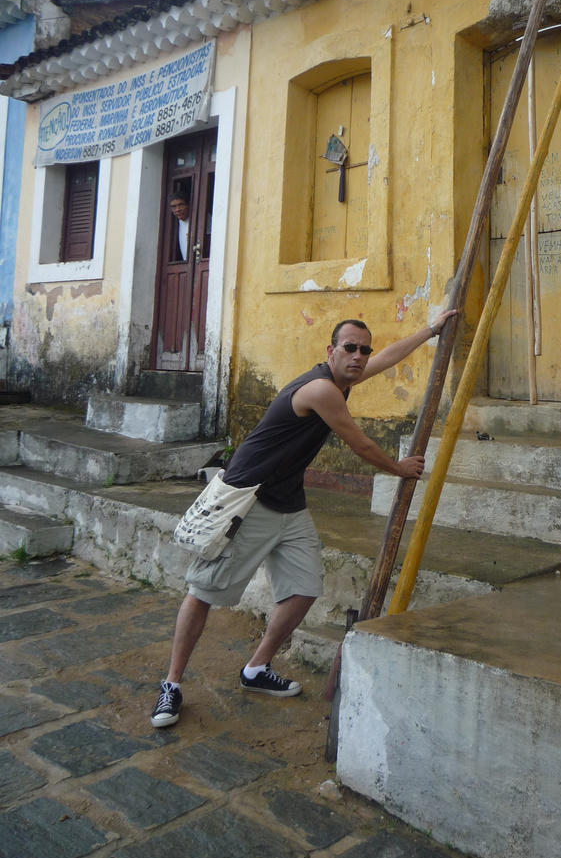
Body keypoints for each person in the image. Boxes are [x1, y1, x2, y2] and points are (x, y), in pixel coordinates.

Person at [151, 309, 458, 727]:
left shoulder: (343, 378)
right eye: (350, 348)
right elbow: (362, 446)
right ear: (331, 351)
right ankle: (171, 684)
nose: (360, 356)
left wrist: (432, 330)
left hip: (289, 503)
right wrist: (400, 468)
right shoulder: (321, 390)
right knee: (203, 590)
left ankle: (256, 669)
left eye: (363, 349)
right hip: (250, 499)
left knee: (304, 587)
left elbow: (387, 358)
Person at [170, 194, 190, 261]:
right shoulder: (173, 226)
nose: (177, 209)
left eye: (181, 205)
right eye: (174, 207)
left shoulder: (202, 220)